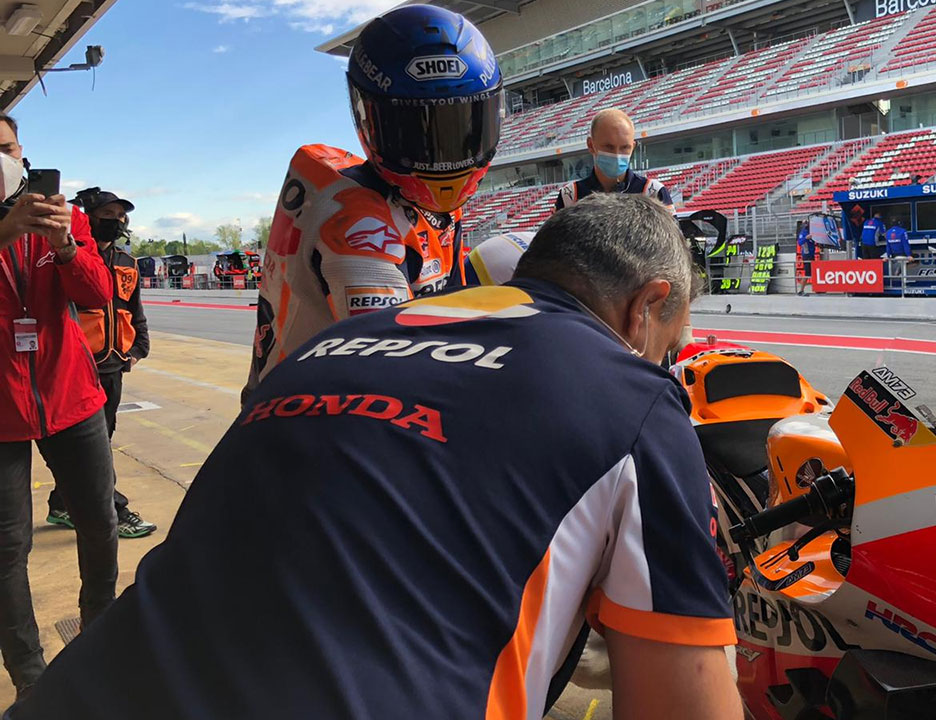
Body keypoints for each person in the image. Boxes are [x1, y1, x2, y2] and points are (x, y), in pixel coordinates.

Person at [10, 195, 742, 720]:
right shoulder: (634, 396)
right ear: (645, 309)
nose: (663, 361)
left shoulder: (323, 348)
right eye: (669, 341)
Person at [243, 4, 502, 404]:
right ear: (366, 117)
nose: (444, 156)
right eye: (419, 134)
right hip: (308, 424)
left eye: (464, 130)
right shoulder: (355, 220)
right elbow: (402, 372)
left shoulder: (419, 204)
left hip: (325, 402)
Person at [0, 113, 118, 699]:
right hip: (0, 410)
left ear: (23, 153)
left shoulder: (62, 217)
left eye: (7, 147)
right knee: (7, 547)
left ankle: (100, 640)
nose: (3, 159)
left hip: (71, 396)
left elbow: (98, 295)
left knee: (100, 523)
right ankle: (30, 681)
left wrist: (63, 244)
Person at [42, 187, 157, 539]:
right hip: (77, 364)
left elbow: (132, 308)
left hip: (112, 364)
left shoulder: (126, 262)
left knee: (101, 439)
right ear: (87, 217)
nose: (116, 222)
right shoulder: (68, 257)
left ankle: (62, 503)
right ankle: (115, 509)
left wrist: (138, 347)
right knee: (93, 450)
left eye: (120, 216)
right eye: (107, 216)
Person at [554, 108, 672, 210]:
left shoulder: (654, 193)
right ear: (591, 145)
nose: (617, 154)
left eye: (625, 147)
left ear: (633, 147)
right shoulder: (569, 196)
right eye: (609, 147)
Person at [796, 219, 816, 294]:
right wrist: (806, 238)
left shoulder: (812, 232)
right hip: (806, 255)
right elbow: (800, 242)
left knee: (814, 272)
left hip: (812, 255)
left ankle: (818, 288)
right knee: (807, 274)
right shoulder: (803, 233)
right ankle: (801, 290)